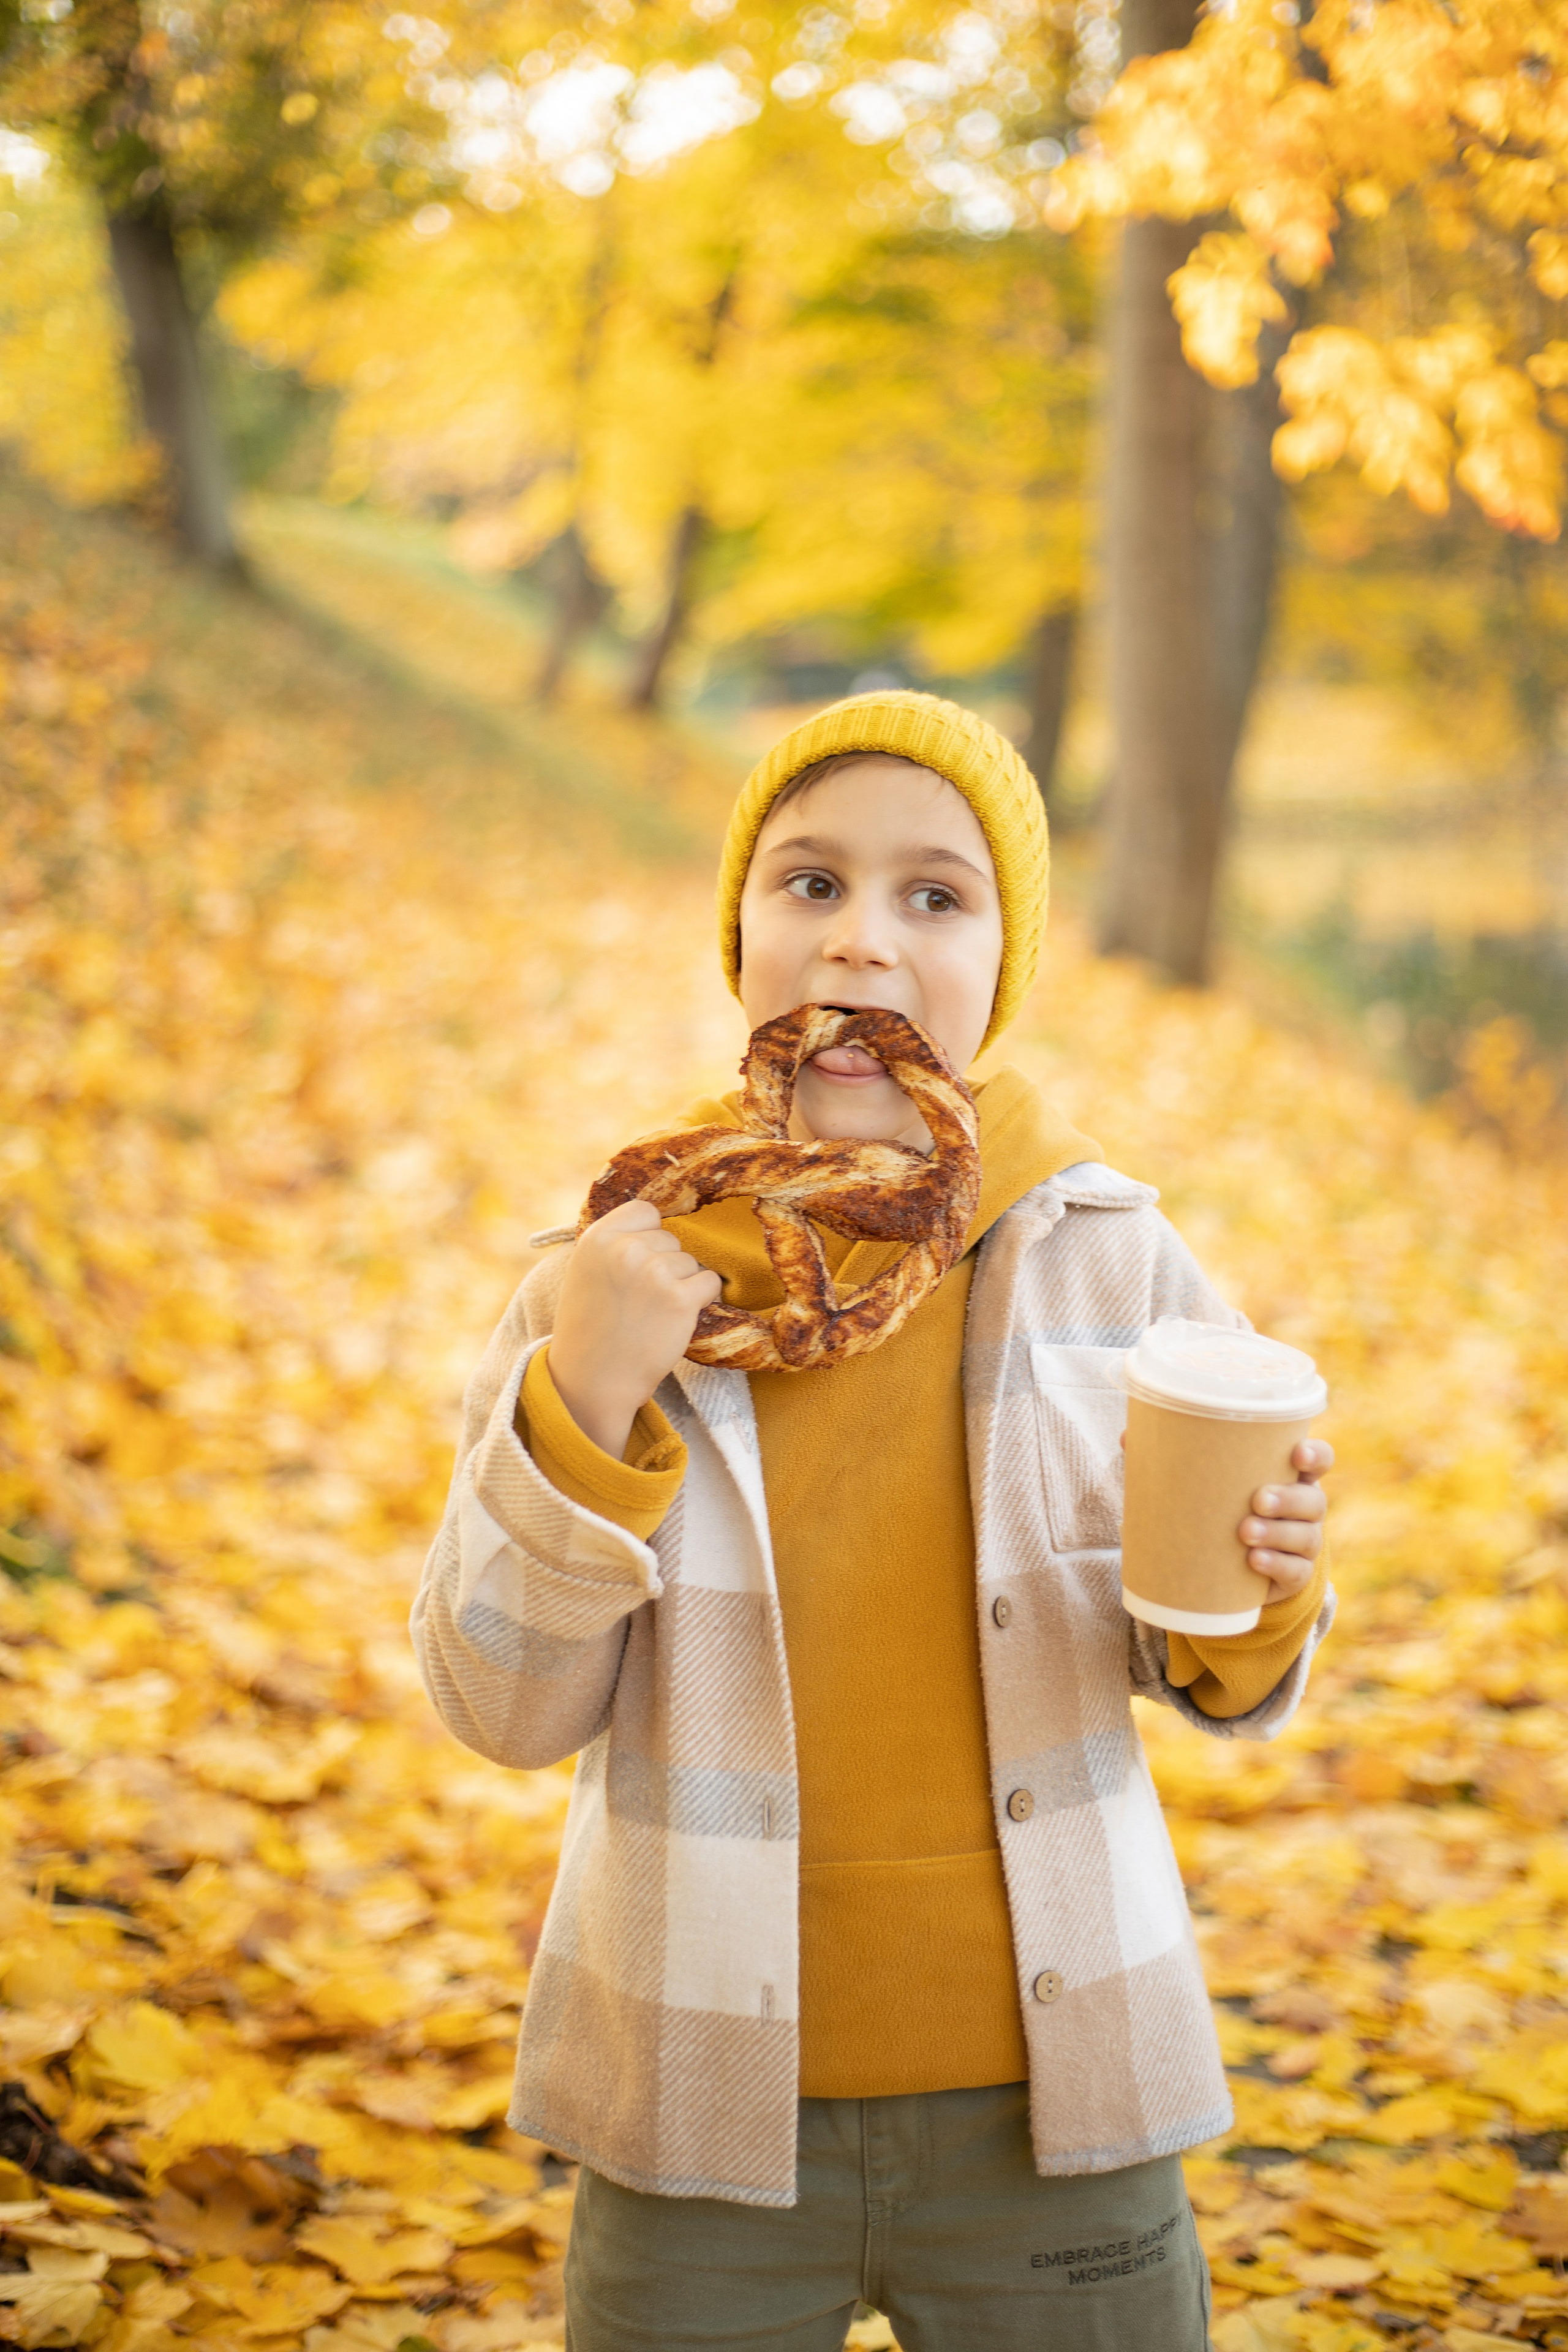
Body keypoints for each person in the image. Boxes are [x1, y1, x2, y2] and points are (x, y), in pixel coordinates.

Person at [412, 691, 1333, 2352]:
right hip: (695, 2113)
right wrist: (584, 1405)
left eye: (935, 896)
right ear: (741, 933)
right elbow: (500, 1707)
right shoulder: (617, 1276)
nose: (862, 948)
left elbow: (1216, 1671)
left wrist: (1262, 1588)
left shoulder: (1108, 1260)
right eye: (811, 885)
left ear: (1002, 964)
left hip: (1056, 2107)